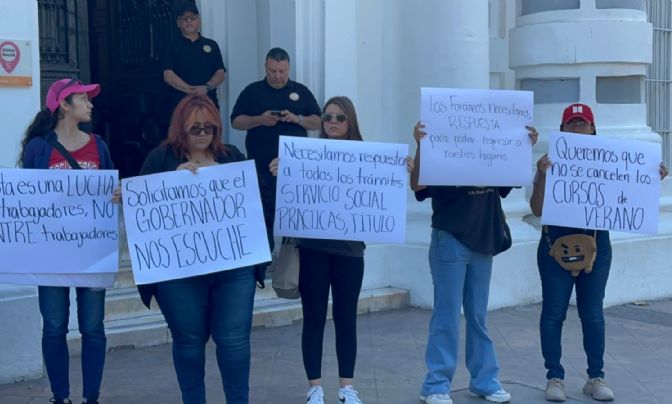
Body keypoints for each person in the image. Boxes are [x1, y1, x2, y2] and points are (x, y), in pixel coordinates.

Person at [270, 96, 413, 404]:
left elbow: (388, 191)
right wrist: (282, 172)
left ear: (351, 122)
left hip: (349, 253)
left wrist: (402, 171)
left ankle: (347, 387)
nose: (332, 121)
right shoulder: (305, 156)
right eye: (327, 116)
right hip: (312, 250)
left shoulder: (368, 157)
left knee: (346, 317)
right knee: (314, 317)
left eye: (339, 117)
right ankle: (315, 388)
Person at [530, 103, 668, 402]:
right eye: (572, 123)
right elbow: (538, 209)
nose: (578, 127)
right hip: (555, 245)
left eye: (583, 123)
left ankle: (596, 377)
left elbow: (630, 192)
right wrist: (541, 176)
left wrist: (648, 177)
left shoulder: (610, 164)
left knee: (592, 314)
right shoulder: (550, 163)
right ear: (563, 128)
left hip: (595, 246)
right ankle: (554, 377)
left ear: (593, 129)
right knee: (553, 314)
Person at [137, 94, 255, 404]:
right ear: (180, 129)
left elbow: (255, 203)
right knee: (189, 343)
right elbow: (143, 213)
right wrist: (169, 184)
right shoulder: (159, 159)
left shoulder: (232, 158)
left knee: (234, 342)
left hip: (233, 269)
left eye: (210, 128)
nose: (203, 134)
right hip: (179, 272)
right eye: (196, 129)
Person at [411, 121, 538, 404]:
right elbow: (418, 185)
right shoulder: (441, 151)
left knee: (478, 315)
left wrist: (523, 144)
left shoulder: (491, 152)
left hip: (484, 239)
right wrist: (421, 144)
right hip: (451, 237)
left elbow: (512, 179)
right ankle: (436, 384)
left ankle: (484, 380)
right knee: (447, 313)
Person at [20, 78, 116, 404]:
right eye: (83, 99)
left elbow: (109, 191)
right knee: (54, 326)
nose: (90, 104)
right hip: (51, 253)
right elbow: (22, 196)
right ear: (64, 105)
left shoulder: (98, 144)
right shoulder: (39, 148)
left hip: (91, 251)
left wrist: (115, 195)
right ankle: (60, 397)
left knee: (92, 327)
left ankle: (92, 397)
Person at [231, 47, 321, 283]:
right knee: (263, 214)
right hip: (260, 167)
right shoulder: (253, 91)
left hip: (296, 170)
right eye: (273, 71)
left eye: (282, 71)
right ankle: (264, 261)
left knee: (296, 214)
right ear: (265, 67)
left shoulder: (300, 92)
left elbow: (318, 120)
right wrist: (260, 119)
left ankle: (297, 261)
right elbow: (236, 121)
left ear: (288, 68)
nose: (278, 76)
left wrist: (297, 118)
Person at [162, 1, 225, 112]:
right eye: (185, 19)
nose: (189, 21)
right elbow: (168, 76)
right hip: (182, 105)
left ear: (199, 20)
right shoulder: (171, 46)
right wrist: (191, 90)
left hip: (209, 103)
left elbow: (220, 73)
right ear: (178, 22)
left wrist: (206, 87)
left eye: (193, 18)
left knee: (211, 129)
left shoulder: (212, 45)